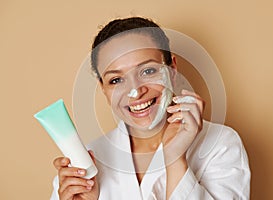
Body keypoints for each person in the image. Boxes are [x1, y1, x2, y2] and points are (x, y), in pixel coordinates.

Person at [51, 17, 250, 200]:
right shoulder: (84, 165)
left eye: (148, 71)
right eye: (116, 80)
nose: (135, 92)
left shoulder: (220, 145)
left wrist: (175, 159)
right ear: (103, 88)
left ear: (172, 70)